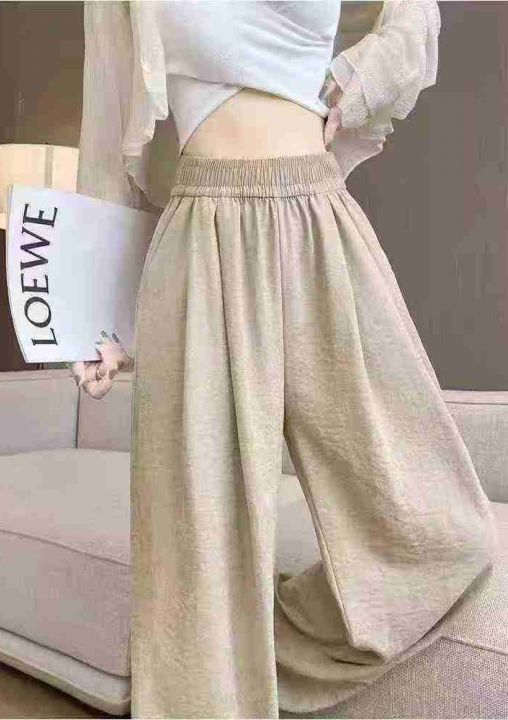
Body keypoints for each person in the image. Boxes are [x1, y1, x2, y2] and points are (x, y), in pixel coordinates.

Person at [70, 2, 499, 718]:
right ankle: (204, 674)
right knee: (196, 555)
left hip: (318, 221)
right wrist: (94, 318)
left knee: (440, 530)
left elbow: (414, 19)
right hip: (199, 235)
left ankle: (253, 653)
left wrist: (357, 80)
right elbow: (106, 123)